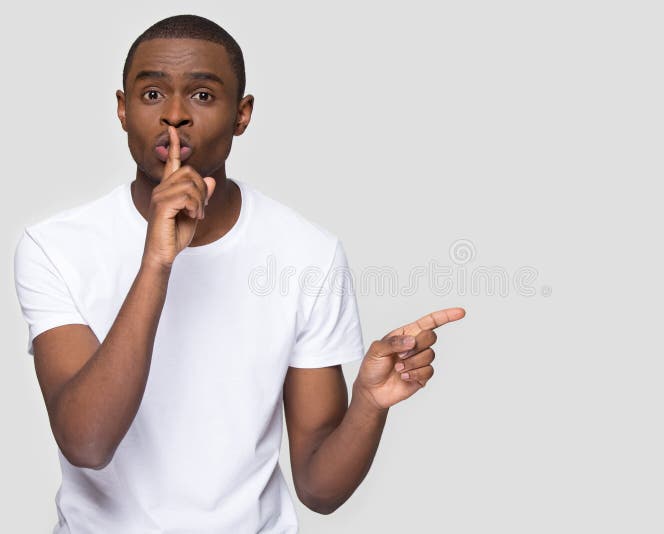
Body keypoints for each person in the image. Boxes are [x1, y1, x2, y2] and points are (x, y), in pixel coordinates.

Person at [12, 14, 465, 534]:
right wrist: (157, 262)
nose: (175, 117)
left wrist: (368, 404)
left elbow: (319, 488)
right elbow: (87, 444)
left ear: (242, 114)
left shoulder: (306, 253)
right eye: (152, 94)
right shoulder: (55, 247)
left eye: (202, 96)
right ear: (121, 109)